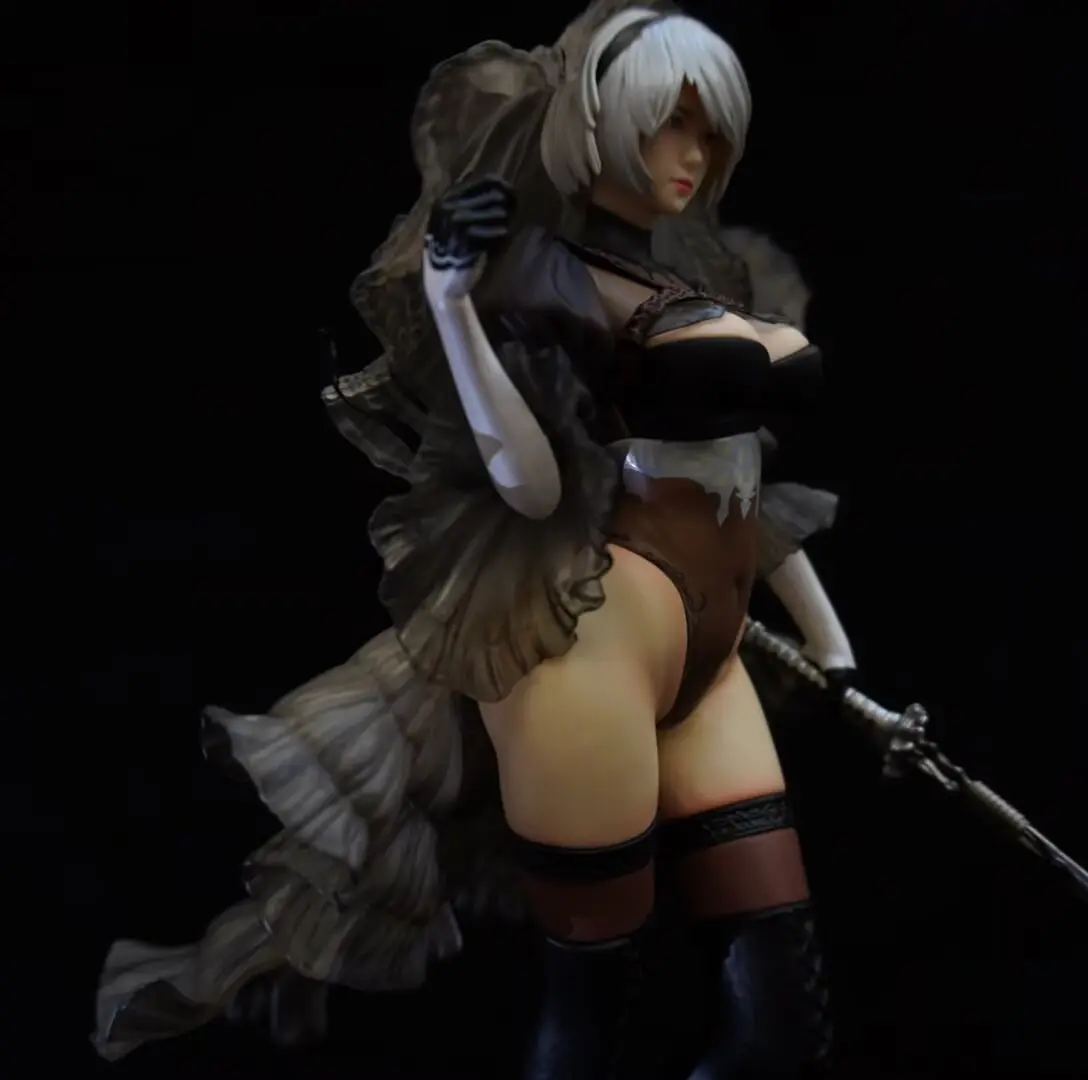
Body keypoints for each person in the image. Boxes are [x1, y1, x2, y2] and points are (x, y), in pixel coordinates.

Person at [93, 3, 855, 1077]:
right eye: (666, 125)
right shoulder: (536, 272)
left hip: (711, 649)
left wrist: (832, 644)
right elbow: (531, 489)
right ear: (597, 126)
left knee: (778, 1025)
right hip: (590, 637)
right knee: (594, 1004)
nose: (692, 155)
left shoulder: (688, 276)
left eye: (709, 130)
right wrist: (454, 307)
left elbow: (742, 486)